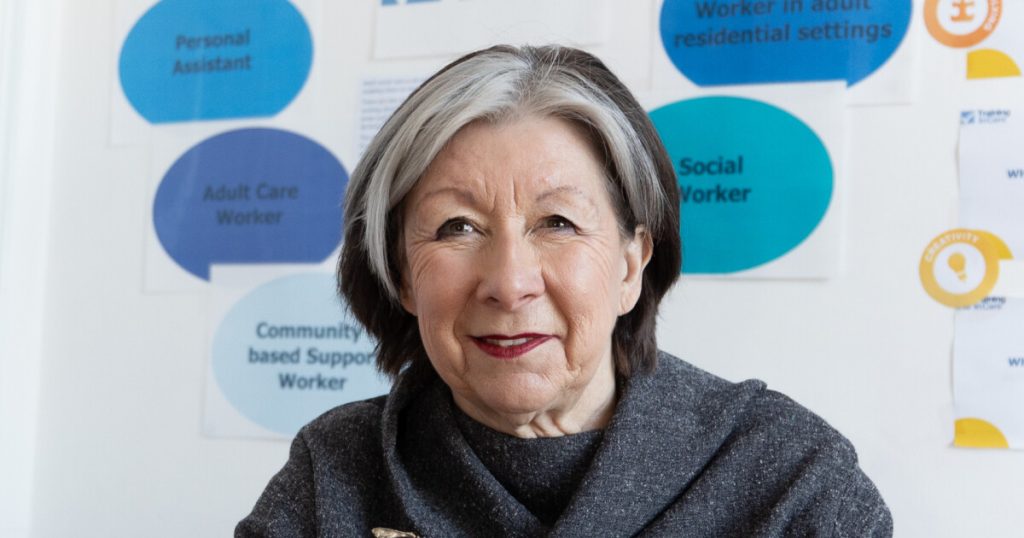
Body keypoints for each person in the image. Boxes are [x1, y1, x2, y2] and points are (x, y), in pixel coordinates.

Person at [236, 45, 891, 537]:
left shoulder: (791, 478)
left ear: (631, 267)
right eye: (457, 227)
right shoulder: (335, 474)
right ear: (402, 274)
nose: (509, 283)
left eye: (557, 223)